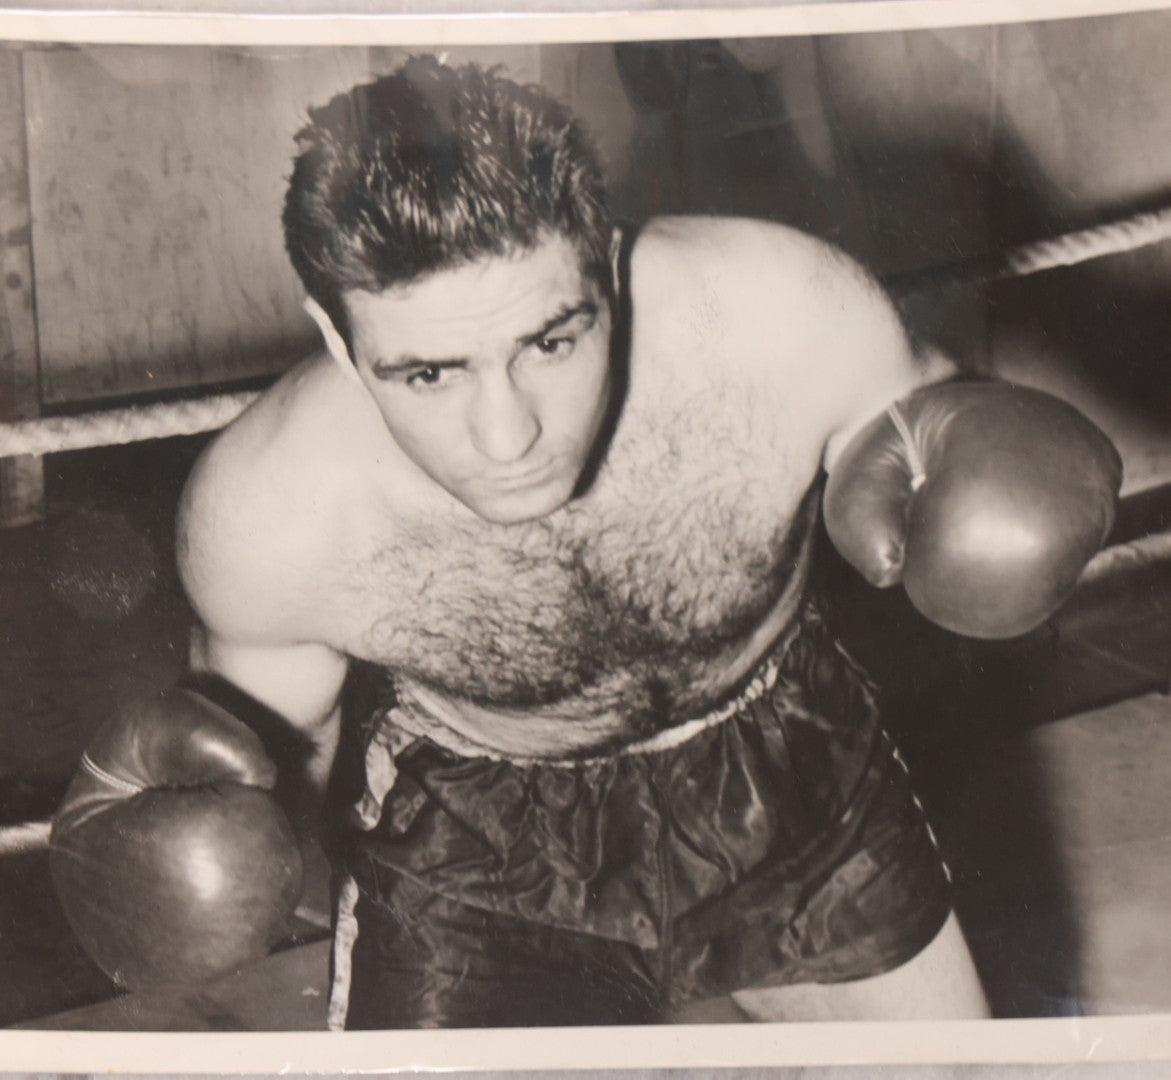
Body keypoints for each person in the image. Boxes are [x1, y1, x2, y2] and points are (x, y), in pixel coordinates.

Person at [50, 56, 1121, 1028]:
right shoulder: (271, 517)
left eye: (550, 342)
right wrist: (195, 858)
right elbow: (270, 763)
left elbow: (919, 422)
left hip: (789, 768)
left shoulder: (782, 315)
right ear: (335, 334)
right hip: (477, 852)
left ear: (606, 263)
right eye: (428, 374)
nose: (507, 433)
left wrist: (979, 454)